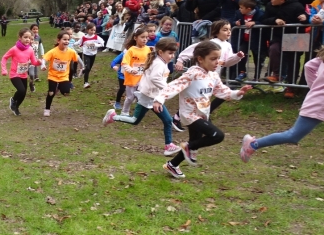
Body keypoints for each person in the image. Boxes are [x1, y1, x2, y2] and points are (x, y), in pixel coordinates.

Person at [240, 21, 324, 163]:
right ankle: (252, 144)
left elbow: (309, 66)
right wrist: (317, 89)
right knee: (293, 136)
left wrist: (316, 87)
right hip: (319, 106)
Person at [154, 41, 251, 179]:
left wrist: (237, 93)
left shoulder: (213, 75)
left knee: (195, 142)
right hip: (190, 115)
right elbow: (174, 86)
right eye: (213, 59)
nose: (217, 62)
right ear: (200, 59)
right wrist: (159, 99)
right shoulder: (192, 73)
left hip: (202, 114)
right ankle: (188, 147)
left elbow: (221, 91)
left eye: (218, 58)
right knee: (217, 136)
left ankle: (173, 164)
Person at [102, 38, 181, 156]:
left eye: (173, 53)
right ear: (160, 52)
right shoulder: (158, 63)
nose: (172, 56)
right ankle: (113, 117)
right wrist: (168, 87)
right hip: (148, 96)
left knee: (165, 120)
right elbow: (155, 78)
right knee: (138, 120)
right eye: (170, 53)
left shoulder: (160, 62)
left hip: (152, 96)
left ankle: (168, 146)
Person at [262, 0, 308, 91]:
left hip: (296, 36)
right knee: (274, 49)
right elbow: (264, 19)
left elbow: (305, 18)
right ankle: (277, 75)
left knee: (293, 61)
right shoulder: (270, 6)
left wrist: (304, 18)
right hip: (278, 36)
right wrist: (274, 20)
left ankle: (291, 87)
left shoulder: (297, 5)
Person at [41, 29, 83, 117]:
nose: (66, 41)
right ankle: (47, 109)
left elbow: (77, 57)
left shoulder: (71, 51)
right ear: (58, 40)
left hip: (64, 76)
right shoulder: (53, 51)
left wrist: (82, 65)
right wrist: (43, 65)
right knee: (51, 93)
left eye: (68, 40)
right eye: (64, 39)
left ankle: (59, 87)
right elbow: (44, 58)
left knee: (66, 92)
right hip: (53, 76)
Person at [1, 27, 41, 116]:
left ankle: (16, 107)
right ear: (20, 37)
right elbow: (4, 57)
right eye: (25, 37)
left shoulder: (30, 50)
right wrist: (4, 69)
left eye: (29, 38)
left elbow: (34, 62)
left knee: (23, 94)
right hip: (14, 74)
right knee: (21, 90)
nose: (28, 40)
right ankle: (13, 100)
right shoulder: (14, 49)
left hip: (23, 74)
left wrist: (39, 62)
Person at [120, 26, 151, 117]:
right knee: (130, 98)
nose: (145, 39)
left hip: (142, 78)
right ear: (135, 38)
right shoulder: (131, 50)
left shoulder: (147, 49)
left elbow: (149, 61)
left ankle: (138, 113)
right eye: (142, 37)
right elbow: (124, 63)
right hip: (132, 78)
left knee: (141, 96)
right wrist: (130, 70)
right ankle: (124, 111)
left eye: (146, 37)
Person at [233, 0, 266, 81]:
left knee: (257, 58)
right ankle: (242, 72)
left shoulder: (260, 14)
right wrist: (235, 22)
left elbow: (265, 22)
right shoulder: (239, 14)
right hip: (244, 39)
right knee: (240, 54)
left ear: (249, 9)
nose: (239, 9)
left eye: (241, 8)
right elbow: (232, 20)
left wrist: (255, 22)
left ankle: (256, 77)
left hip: (256, 40)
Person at [78, 23, 104, 88]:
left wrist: (96, 45)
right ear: (87, 30)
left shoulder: (96, 37)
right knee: (88, 68)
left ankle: (83, 71)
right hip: (86, 54)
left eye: (94, 30)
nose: (93, 32)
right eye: (91, 30)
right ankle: (85, 83)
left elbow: (102, 43)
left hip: (93, 54)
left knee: (88, 69)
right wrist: (71, 44)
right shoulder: (84, 37)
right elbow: (79, 42)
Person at [28, 23, 44, 92]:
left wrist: (42, 54)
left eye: (36, 29)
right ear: (30, 30)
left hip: (35, 57)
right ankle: (32, 80)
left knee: (32, 74)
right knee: (30, 73)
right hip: (27, 59)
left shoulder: (38, 38)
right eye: (33, 29)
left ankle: (32, 83)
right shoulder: (27, 38)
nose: (35, 30)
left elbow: (41, 46)